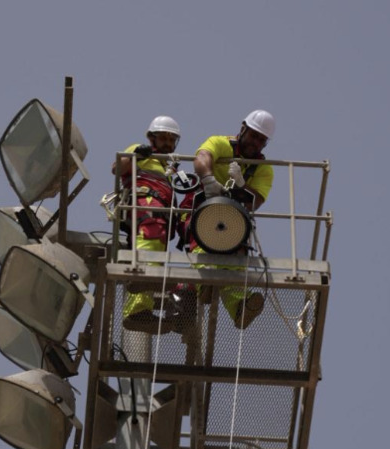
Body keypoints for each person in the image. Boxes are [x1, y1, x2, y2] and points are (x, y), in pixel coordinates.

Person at [182, 109, 276, 329]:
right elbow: (202, 158)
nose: (256, 143)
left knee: (235, 263)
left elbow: (256, 201)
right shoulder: (221, 144)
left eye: (261, 140)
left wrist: (242, 186)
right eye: (254, 135)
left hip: (234, 220)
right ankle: (194, 292)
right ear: (243, 129)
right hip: (203, 211)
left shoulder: (263, 168)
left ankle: (240, 307)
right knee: (203, 251)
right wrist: (208, 180)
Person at [113, 116, 181, 333]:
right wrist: (137, 154)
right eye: (163, 138)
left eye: (172, 140)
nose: (168, 144)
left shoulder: (165, 167)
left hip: (159, 212)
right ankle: (136, 307)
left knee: (156, 256)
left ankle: (140, 312)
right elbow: (117, 168)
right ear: (152, 138)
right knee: (151, 238)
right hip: (145, 205)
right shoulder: (139, 151)